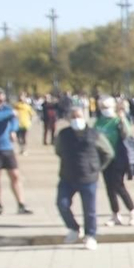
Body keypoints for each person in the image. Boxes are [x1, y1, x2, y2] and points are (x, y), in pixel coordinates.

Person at [54, 103, 112, 250]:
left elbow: (108, 153)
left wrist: (97, 168)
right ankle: (73, 228)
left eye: (78, 116)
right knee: (62, 203)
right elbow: (58, 150)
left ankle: (90, 235)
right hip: (67, 176)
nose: (76, 119)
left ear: (84, 117)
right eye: (72, 117)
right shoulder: (63, 134)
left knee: (89, 210)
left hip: (88, 177)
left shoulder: (94, 134)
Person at [93, 97, 134, 226]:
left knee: (119, 186)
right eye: (102, 107)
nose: (105, 110)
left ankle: (133, 211)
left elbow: (127, 134)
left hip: (118, 158)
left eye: (107, 107)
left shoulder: (117, 120)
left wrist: (123, 119)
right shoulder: (99, 121)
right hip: (104, 158)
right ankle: (115, 214)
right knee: (109, 188)